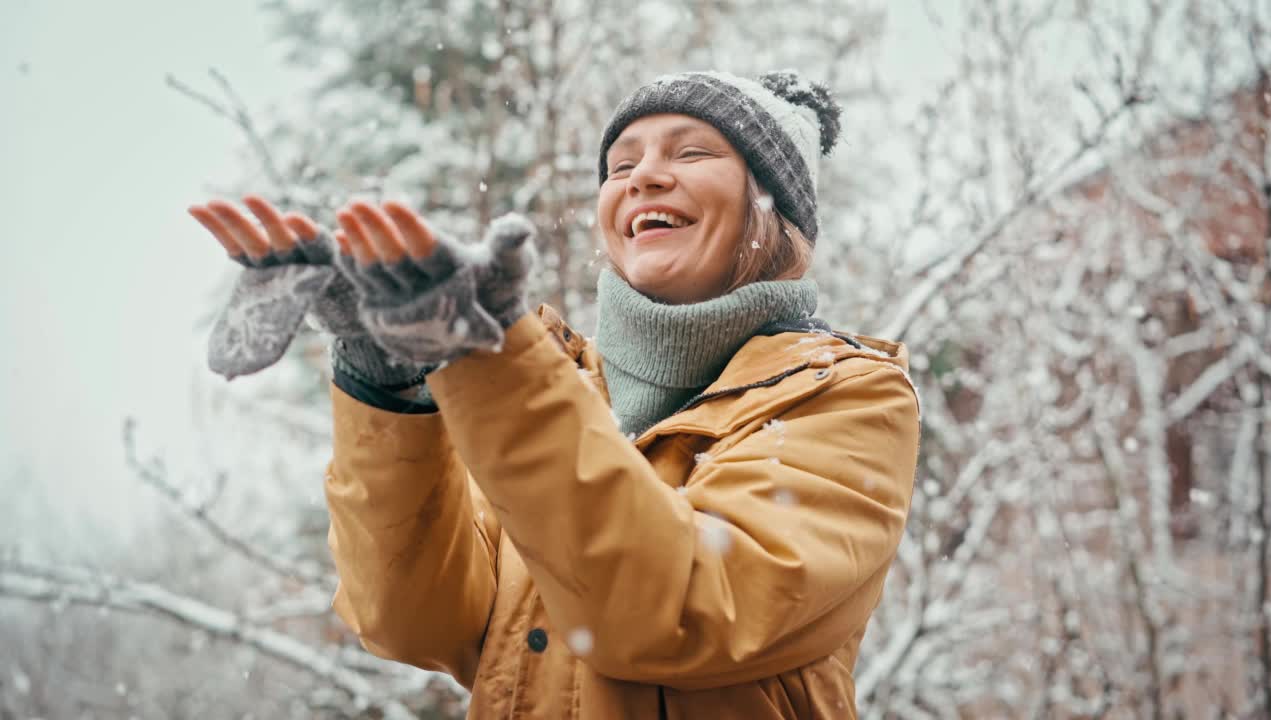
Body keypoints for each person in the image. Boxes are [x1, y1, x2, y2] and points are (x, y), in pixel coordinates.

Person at [190, 69, 920, 719]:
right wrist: (389, 379)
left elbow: (674, 611)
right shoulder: (557, 393)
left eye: (691, 152)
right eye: (621, 164)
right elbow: (410, 621)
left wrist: (489, 357)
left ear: (773, 208)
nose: (642, 177)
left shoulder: (850, 398)